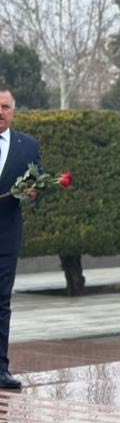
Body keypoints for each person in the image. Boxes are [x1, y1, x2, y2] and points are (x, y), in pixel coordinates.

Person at [0, 87, 39, 391]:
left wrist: (34, 193)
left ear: (13, 111)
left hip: (6, 238)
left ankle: (0, 368)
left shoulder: (28, 146)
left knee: (1, 303)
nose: (0, 112)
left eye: (5, 107)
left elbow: (39, 184)